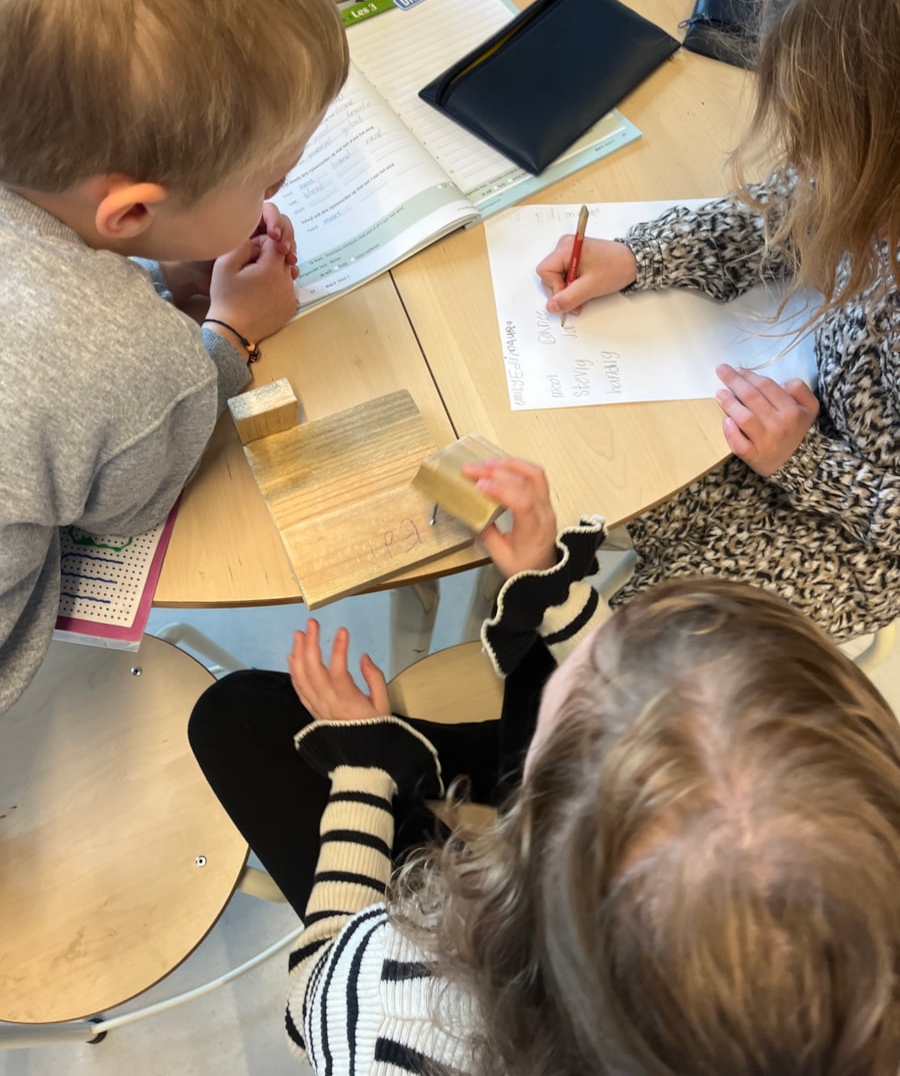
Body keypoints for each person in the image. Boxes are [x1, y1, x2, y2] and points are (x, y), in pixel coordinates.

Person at [188, 457, 900, 1075]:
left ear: (528, 854)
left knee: (229, 715)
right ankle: (437, 763)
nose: (593, 654)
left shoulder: (397, 1012)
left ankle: (404, 771)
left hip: (430, 924)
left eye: (571, 720)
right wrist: (554, 594)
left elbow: (313, 995)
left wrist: (360, 770)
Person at [0, 0, 349, 711]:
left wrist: (157, 266)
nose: (274, 195)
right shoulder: (130, 355)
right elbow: (126, 505)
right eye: (266, 179)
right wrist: (227, 334)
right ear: (131, 212)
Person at [536, 0, 900, 643]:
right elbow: (793, 205)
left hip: (861, 537)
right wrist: (641, 257)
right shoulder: (863, 184)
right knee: (603, 487)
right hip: (792, 419)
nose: (800, 159)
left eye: (822, 136)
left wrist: (806, 463)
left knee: (653, 635)